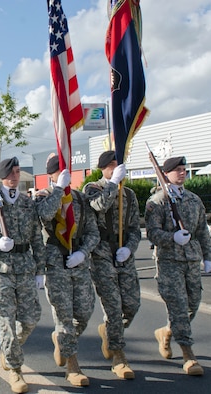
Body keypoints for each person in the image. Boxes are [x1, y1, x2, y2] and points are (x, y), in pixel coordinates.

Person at [0, 157, 46, 394]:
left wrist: (40, 270)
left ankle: (11, 349)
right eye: (12, 172)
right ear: (2, 176)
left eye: (18, 172)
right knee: (6, 321)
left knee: (30, 318)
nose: (16, 176)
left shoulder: (27, 203)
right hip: (1, 269)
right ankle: (15, 369)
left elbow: (37, 238)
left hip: (25, 266)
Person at [145, 156, 211, 376]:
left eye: (184, 170)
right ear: (166, 174)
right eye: (177, 170)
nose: (182, 173)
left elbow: (202, 229)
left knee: (193, 303)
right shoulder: (157, 201)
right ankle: (188, 354)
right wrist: (172, 238)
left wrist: (207, 256)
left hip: (191, 259)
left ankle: (166, 332)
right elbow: (153, 233)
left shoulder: (194, 200)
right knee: (179, 308)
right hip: (169, 261)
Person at [36, 154, 99, 387]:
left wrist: (83, 252)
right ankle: (72, 366)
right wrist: (58, 191)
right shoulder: (43, 197)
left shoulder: (80, 200)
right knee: (64, 316)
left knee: (83, 312)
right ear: (51, 175)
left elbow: (93, 232)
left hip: (78, 262)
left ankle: (62, 340)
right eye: (59, 171)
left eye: (66, 170)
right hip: (55, 264)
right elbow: (43, 216)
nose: (65, 175)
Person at [84, 150, 141, 379]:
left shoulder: (128, 194)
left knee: (132, 305)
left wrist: (130, 248)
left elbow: (135, 227)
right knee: (114, 308)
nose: (117, 168)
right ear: (104, 168)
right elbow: (99, 206)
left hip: (123, 252)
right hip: (101, 254)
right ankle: (118, 356)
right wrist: (113, 183)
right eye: (113, 165)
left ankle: (109, 331)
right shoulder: (93, 188)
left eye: (119, 165)